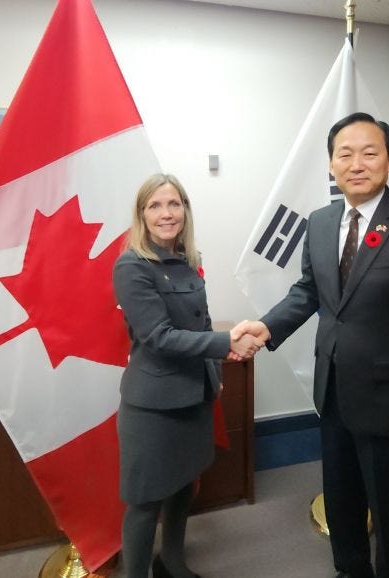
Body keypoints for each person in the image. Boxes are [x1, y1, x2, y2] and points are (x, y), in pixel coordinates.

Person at [232, 113, 389, 578]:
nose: (357, 164)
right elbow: (308, 292)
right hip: (333, 388)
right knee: (340, 497)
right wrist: (267, 327)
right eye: (345, 154)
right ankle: (351, 569)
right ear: (331, 164)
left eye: (369, 153)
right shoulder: (320, 222)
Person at [113, 173, 262, 578]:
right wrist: (226, 341)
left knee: (182, 486)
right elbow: (158, 337)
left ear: (185, 210)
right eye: (155, 205)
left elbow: (202, 321)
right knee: (145, 502)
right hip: (154, 407)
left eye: (174, 204)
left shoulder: (188, 259)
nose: (166, 213)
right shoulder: (131, 266)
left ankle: (172, 563)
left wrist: (216, 369)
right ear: (142, 214)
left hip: (193, 397)